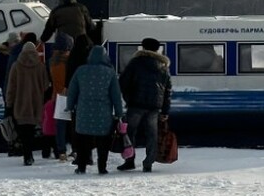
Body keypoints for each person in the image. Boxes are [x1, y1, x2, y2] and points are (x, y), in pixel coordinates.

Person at [117, 37, 172, 172]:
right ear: (157, 49)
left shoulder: (135, 63)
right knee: (152, 135)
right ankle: (148, 163)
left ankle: (129, 160)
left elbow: (123, 82)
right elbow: (167, 90)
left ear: (143, 47)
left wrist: (128, 98)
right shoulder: (163, 66)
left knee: (129, 133)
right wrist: (165, 111)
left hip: (135, 104)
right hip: (154, 106)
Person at [67, 45, 123, 175]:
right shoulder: (109, 72)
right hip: (103, 113)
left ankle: (81, 167)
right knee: (103, 142)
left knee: (82, 141)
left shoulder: (80, 71)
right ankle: (102, 168)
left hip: (83, 112)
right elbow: (116, 95)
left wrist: (70, 106)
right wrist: (119, 112)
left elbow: (72, 91)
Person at [4, 39, 51, 165]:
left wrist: (9, 104)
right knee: (31, 131)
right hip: (36, 105)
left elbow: (11, 88)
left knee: (23, 132)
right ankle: (29, 155)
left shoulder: (16, 66)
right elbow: (46, 86)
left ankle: (27, 155)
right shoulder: (40, 67)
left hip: (20, 106)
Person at [46, 30, 74, 162]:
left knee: (60, 126)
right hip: (69, 94)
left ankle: (61, 151)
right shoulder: (69, 61)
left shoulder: (51, 62)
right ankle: (74, 149)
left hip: (57, 96)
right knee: (73, 125)